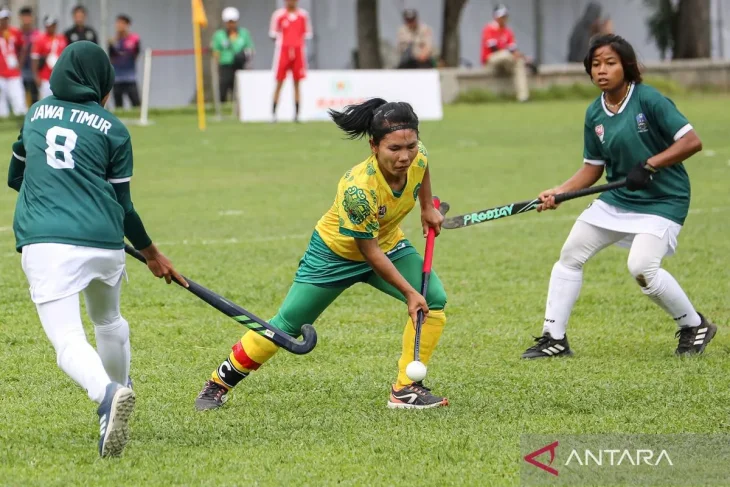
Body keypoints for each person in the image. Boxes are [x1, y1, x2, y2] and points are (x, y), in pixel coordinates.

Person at [195, 98, 450, 411]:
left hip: (386, 243)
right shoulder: (359, 188)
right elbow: (368, 253)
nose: (405, 156)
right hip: (334, 255)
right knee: (286, 325)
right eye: (394, 149)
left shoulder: (418, 157)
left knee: (433, 299)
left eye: (410, 146)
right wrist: (410, 292)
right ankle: (218, 383)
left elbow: (422, 170)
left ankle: (405, 388)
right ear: (373, 146)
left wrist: (426, 207)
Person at [7, 41, 185, 457]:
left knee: (68, 340)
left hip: (48, 244)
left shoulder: (35, 114)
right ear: (101, 81)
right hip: (105, 244)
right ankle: (122, 388)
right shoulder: (114, 127)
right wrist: (153, 254)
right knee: (108, 319)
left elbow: (16, 176)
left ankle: (106, 395)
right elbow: (124, 207)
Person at [521, 34, 716, 359]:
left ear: (626, 66)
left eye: (610, 63)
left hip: (663, 200)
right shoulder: (594, 113)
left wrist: (651, 164)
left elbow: (692, 142)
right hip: (618, 201)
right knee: (570, 256)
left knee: (641, 267)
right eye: (596, 64)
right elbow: (592, 169)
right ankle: (554, 338)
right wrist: (559, 192)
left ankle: (693, 324)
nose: (602, 70)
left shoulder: (650, 100)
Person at [270, 0, 312, 122]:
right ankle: (273, 114)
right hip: (283, 51)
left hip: (298, 51)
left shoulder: (303, 15)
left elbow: (306, 34)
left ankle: (297, 115)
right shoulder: (279, 15)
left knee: (297, 83)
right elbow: (273, 34)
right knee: (279, 82)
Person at [481, 4, 529, 102]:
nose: (504, 19)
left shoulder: (508, 31)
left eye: (505, 16)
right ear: (496, 17)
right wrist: (513, 54)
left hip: (506, 60)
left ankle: (523, 97)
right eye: (502, 17)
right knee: (506, 54)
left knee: (519, 63)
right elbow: (493, 49)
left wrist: (522, 57)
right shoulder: (489, 29)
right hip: (491, 60)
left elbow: (513, 49)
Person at [211, 6, 254, 103]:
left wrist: (247, 60)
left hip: (240, 64)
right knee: (224, 85)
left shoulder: (244, 33)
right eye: (229, 22)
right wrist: (217, 65)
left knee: (239, 87)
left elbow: (250, 48)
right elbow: (216, 51)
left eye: (233, 21)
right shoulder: (219, 35)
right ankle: (223, 106)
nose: (231, 24)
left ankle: (239, 106)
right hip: (226, 64)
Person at [108, 14, 141, 109]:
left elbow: (136, 55)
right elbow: (111, 58)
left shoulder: (134, 39)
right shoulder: (113, 41)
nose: (119, 26)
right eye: (118, 23)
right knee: (118, 106)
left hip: (130, 77)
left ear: (127, 25)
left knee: (136, 104)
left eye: (122, 23)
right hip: (117, 78)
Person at [31, 15, 67, 100]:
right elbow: (34, 59)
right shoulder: (40, 39)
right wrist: (36, 76)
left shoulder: (62, 38)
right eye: (50, 25)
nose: (52, 27)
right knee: (46, 100)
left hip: (59, 77)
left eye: (54, 25)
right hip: (45, 77)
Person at [0, 7, 27, 117]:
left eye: (7, 18)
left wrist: (20, 64)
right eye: (3, 19)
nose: (5, 21)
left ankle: (21, 119)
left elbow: (23, 47)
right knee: (1, 102)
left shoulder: (14, 32)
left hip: (14, 72)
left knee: (18, 98)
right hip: (0, 73)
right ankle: (3, 121)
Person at [18, 6, 40, 105]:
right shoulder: (17, 33)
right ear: (20, 18)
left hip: (34, 69)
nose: (26, 19)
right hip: (20, 69)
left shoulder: (37, 34)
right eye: (24, 16)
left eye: (28, 16)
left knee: (34, 94)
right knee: (20, 94)